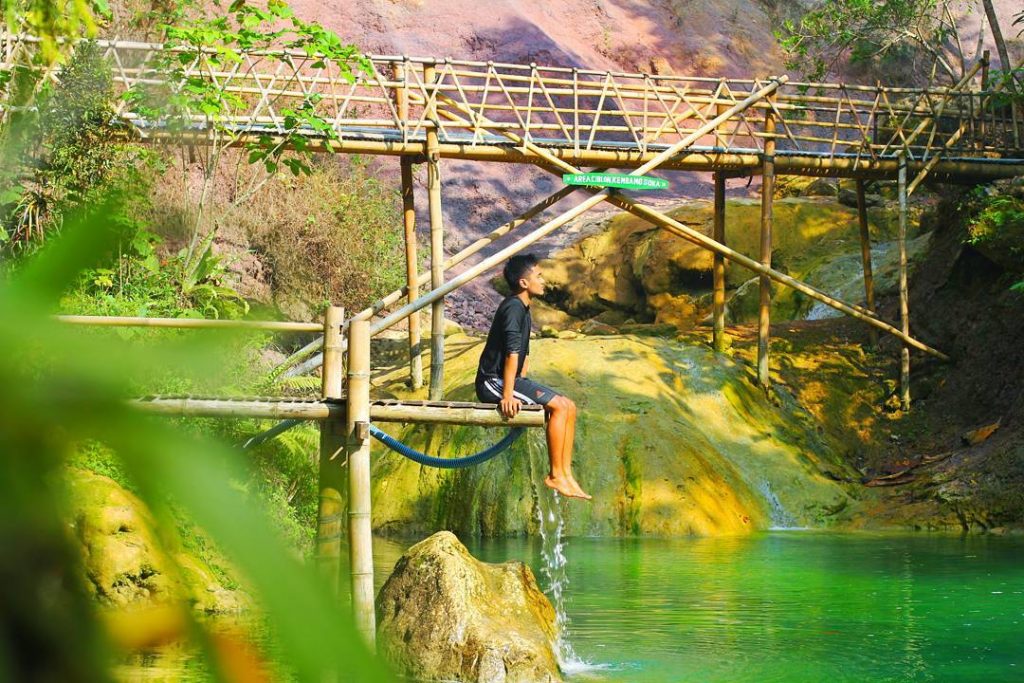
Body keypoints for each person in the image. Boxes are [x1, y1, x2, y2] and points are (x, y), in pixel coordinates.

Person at [475, 253, 591, 500]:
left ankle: (566, 474)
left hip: (510, 381)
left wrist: (523, 384)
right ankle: (555, 475)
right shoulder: (513, 307)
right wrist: (508, 395)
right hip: (492, 382)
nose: (543, 280)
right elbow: (511, 355)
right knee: (559, 408)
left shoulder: (524, 309)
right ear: (524, 283)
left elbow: (524, 355)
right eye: (538, 276)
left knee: (568, 406)